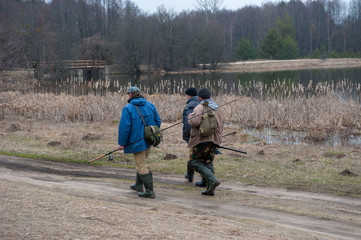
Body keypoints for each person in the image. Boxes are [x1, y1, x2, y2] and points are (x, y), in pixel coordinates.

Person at [118, 86, 161, 199]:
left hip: (137, 142)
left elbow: (124, 128)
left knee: (141, 164)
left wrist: (122, 143)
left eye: (128, 94)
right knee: (142, 162)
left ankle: (149, 191)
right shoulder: (150, 105)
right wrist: (151, 134)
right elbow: (158, 122)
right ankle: (138, 185)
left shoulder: (128, 108)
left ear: (130, 95)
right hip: (149, 140)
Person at [187, 87, 224, 196]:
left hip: (202, 140)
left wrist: (190, 117)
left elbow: (195, 122)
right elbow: (221, 124)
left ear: (200, 97)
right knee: (208, 161)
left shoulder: (199, 107)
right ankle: (209, 189)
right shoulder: (217, 107)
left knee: (194, 162)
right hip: (215, 140)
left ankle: (212, 180)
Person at [182, 87, 200, 184]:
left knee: (192, 155)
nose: (185, 96)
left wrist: (186, 137)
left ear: (189, 95)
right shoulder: (201, 102)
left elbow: (188, 124)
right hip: (204, 134)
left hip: (194, 135)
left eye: (186, 95)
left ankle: (190, 175)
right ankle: (190, 174)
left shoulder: (189, 106)